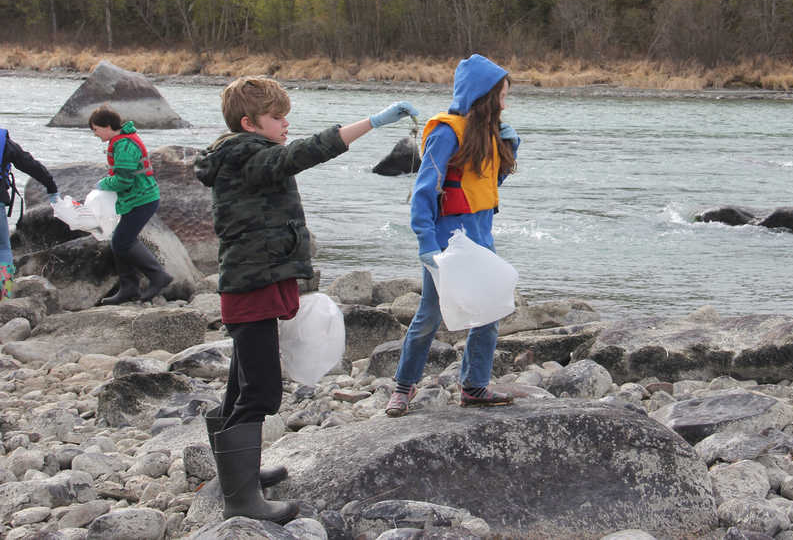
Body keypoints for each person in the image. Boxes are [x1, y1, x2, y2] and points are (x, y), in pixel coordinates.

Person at [193, 76, 417, 523]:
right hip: (251, 284)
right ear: (248, 123)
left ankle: (240, 476)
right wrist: (372, 122)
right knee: (260, 389)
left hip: (255, 280)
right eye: (277, 117)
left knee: (241, 382)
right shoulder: (249, 157)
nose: (285, 123)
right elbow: (305, 152)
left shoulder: (241, 154)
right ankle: (242, 501)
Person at [386, 54, 520, 418]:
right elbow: (424, 191)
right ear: (484, 96)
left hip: (481, 241)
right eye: (502, 96)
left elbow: (489, 185)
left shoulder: (491, 134)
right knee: (429, 315)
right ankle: (402, 388)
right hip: (448, 245)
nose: (505, 104)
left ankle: (474, 386)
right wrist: (426, 244)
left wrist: (511, 148)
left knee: (489, 312)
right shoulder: (446, 132)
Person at [89, 106, 174, 304]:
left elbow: (124, 180)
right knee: (119, 241)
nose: (94, 134)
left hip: (143, 199)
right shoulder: (120, 141)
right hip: (136, 199)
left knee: (122, 241)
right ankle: (129, 287)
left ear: (108, 126)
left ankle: (158, 276)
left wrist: (102, 184)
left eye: (95, 129)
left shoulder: (124, 145)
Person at [1, 128, 60, 301]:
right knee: (3, 250)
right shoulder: (3, 142)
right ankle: (5, 296)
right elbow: (28, 163)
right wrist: (51, 186)